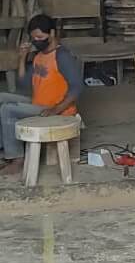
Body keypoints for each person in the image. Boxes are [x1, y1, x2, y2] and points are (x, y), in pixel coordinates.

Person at [0, 14, 83, 176]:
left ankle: (17, 160)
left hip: (55, 109)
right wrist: (22, 58)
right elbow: (23, 84)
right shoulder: (39, 56)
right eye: (34, 38)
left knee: (7, 109)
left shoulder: (62, 56)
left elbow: (77, 87)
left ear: (51, 33)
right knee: (2, 97)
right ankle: (3, 150)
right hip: (38, 104)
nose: (36, 41)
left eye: (40, 37)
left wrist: (56, 109)